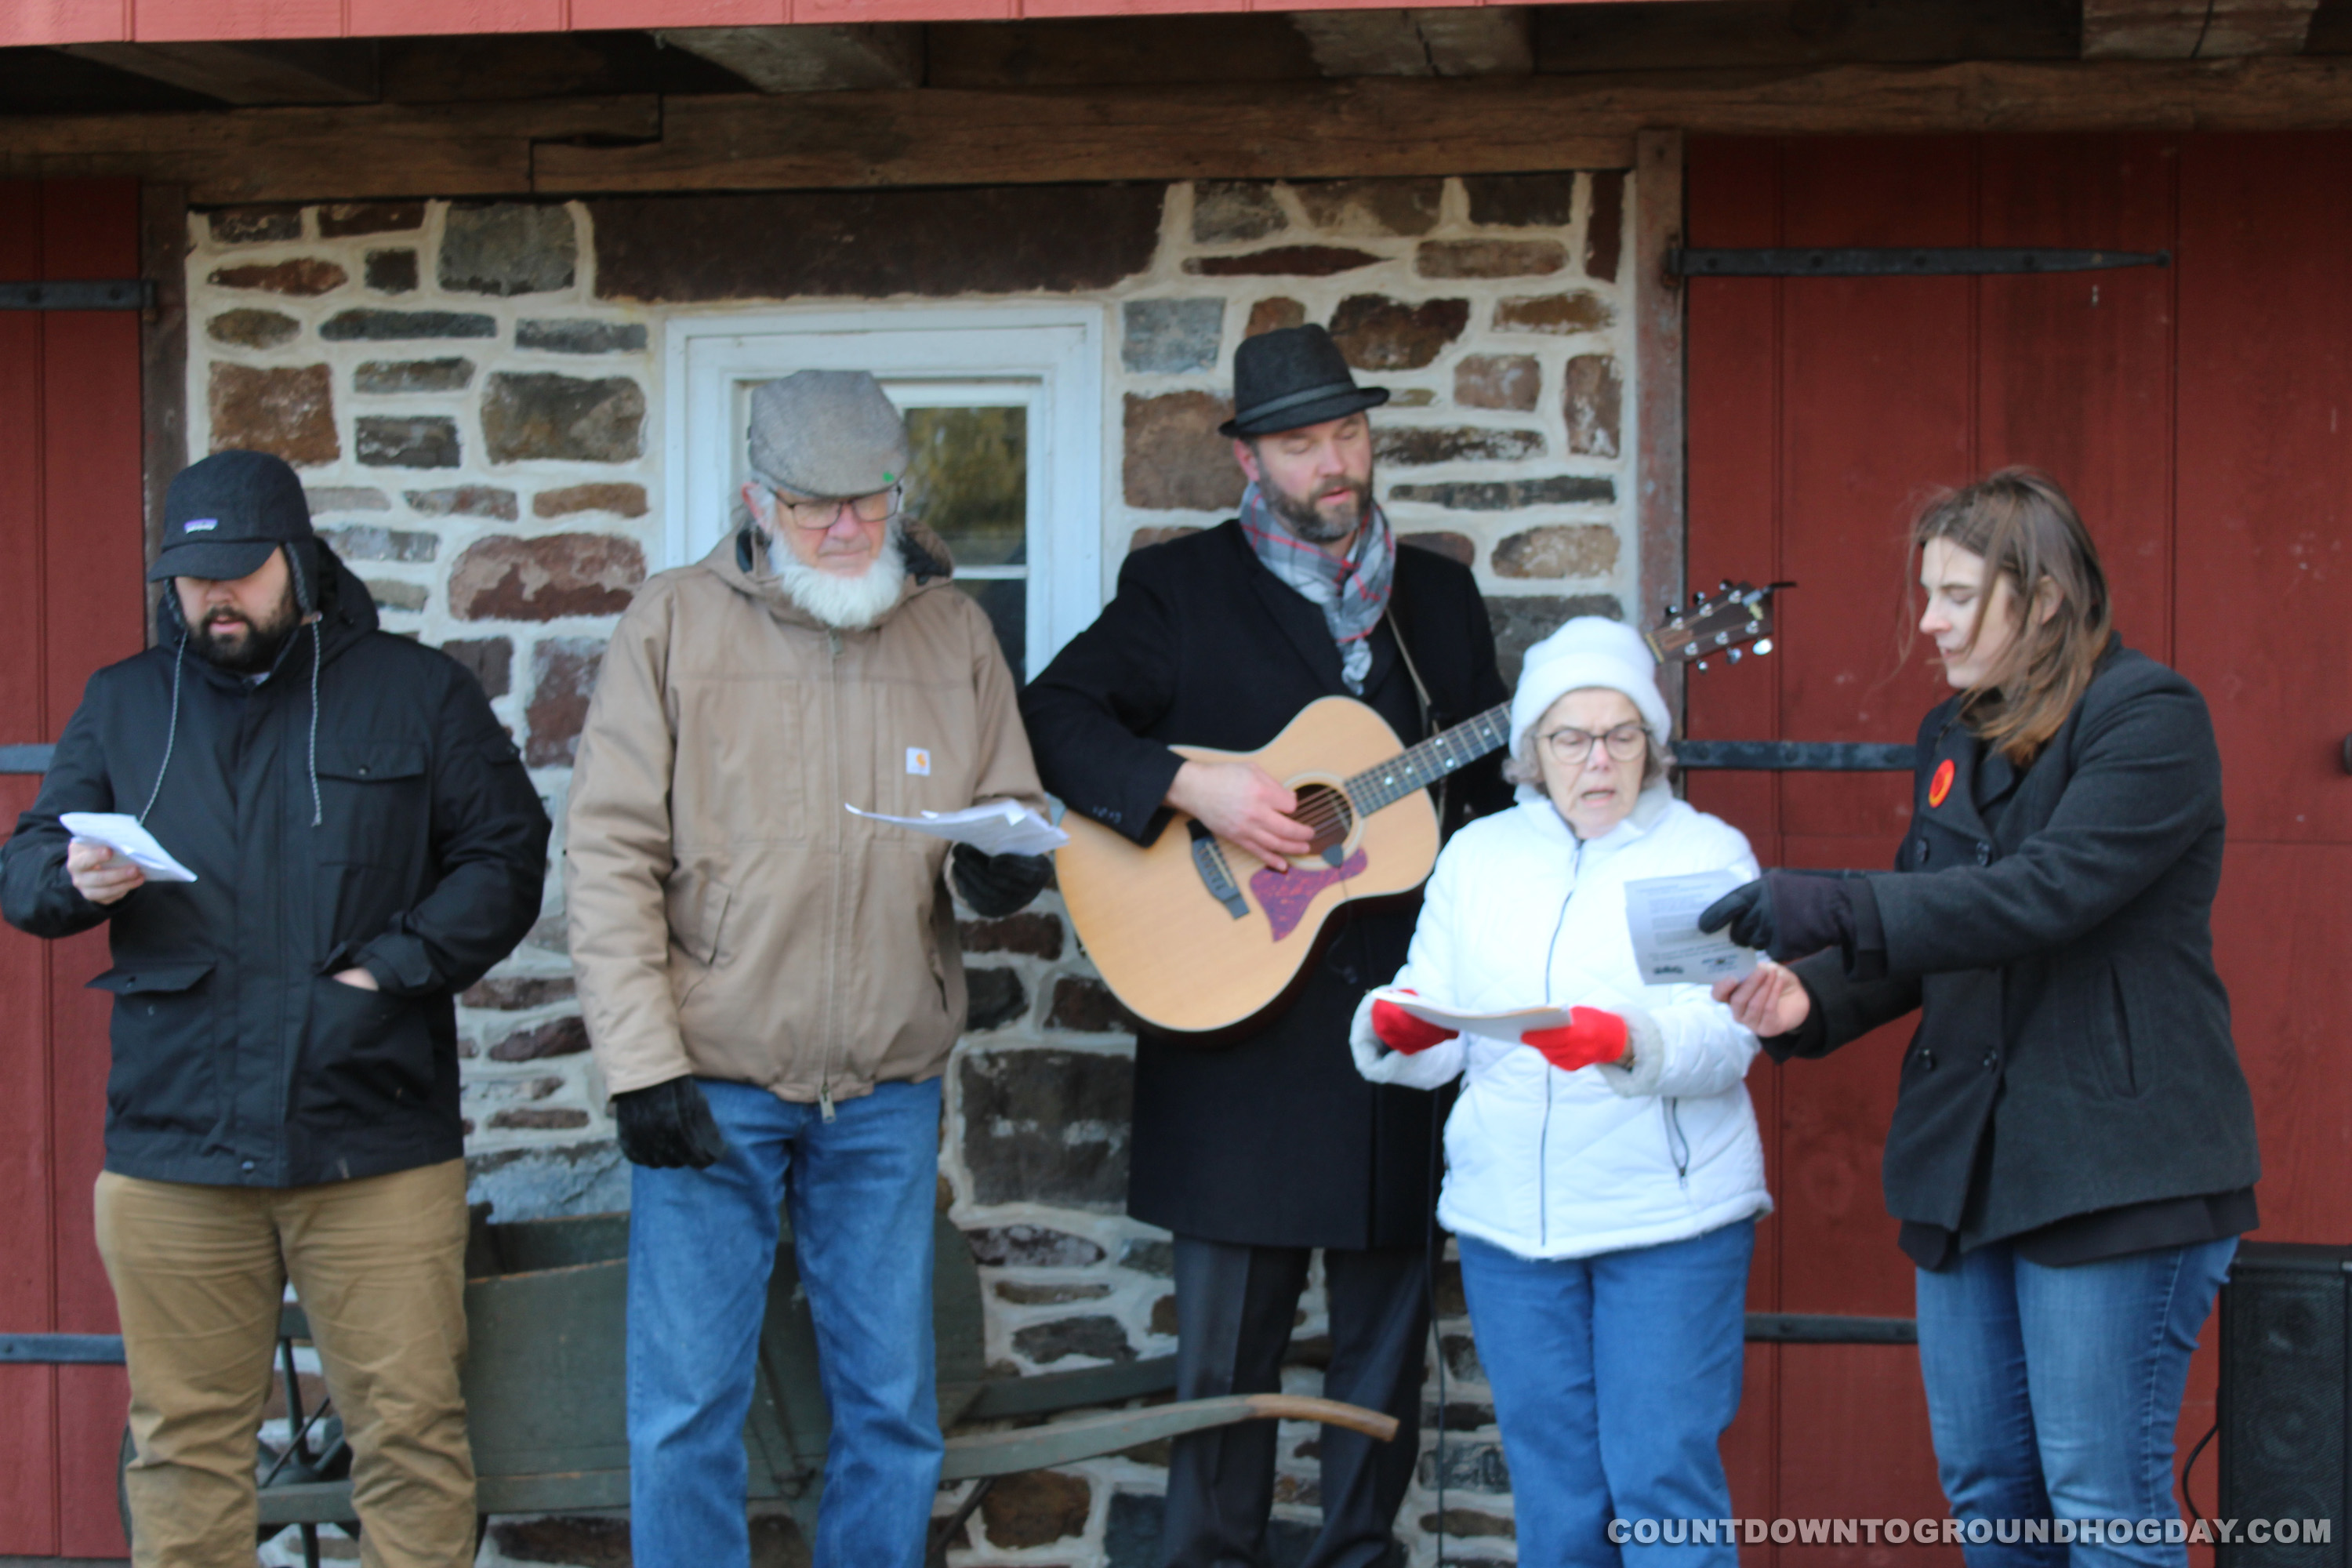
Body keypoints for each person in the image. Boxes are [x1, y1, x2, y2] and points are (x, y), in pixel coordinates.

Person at [0, 448, 550, 1568]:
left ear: (295, 561)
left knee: (409, 1440)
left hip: (373, 1145)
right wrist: (74, 879)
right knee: (188, 1445)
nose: (214, 598)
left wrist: (390, 969)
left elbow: (506, 855)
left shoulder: (415, 689)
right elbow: (26, 871)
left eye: (239, 573)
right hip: (175, 1152)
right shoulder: (124, 701)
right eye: (193, 577)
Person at [1703, 468, 2261, 1568]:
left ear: (2041, 598)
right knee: (1992, 1494)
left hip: (2117, 1169)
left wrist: (1827, 898)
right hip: (1971, 1167)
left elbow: (2043, 896)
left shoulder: (2150, 718)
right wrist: (1813, 993)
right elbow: (1943, 926)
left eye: (1957, 594)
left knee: (2104, 1501)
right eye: (1929, 593)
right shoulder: (1953, 735)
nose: (1930, 621)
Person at [1022, 324, 1512, 1568]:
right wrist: (1196, 787)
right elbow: (1055, 720)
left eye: (1348, 434)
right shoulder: (1179, 593)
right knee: (1224, 1386)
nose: (1335, 464)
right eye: (1304, 444)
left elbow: (1491, 801)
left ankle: (1359, 1556)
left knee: (1381, 1376)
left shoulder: (1438, 601)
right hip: (1233, 1041)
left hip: (1398, 1038)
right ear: (1251, 460)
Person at [565, 369, 1052, 1568]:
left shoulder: (955, 631)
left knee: (893, 1417)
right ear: (754, 496)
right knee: (685, 1416)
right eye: (812, 505)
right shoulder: (672, 623)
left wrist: (1005, 868)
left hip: (885, 1084)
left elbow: (1010, 803)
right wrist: (639, 1070)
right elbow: (609, 852)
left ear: (901, 489)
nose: (844, 530)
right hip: (713, 1079)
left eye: (870, 502)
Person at [1349, 615, 1768, 1567]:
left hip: (1667, 1220)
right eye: (1571, 737)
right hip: (1511, 1228)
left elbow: (1725, 1032)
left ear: (1653, 744)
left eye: (1622, 734)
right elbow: (1429, 999)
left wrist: (1627, 1039)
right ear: (1531, 749)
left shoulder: (1701, 856)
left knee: (1662, 1478)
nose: (1599, 759)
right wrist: (1397, 1024)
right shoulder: (1480, 857)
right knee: (1556, 1489)